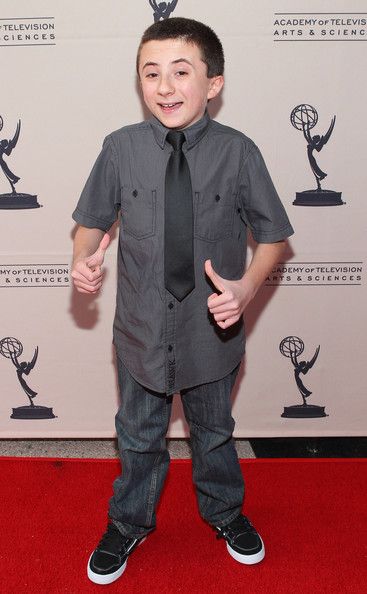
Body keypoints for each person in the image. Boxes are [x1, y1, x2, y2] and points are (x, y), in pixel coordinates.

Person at [72, 17, 294, 586]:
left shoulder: (240, 153)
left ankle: (226, 513)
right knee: (138, 437)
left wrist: (245, 288)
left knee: (215, 433)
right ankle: (127, 524)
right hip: (141, 332)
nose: (164, 87)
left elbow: (274, 239)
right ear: (139, 82)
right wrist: (85, 255)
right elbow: (91, 221)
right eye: (151, 73)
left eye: (180, 72)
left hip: (210, 333)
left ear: (213, 83)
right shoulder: (119, 148)